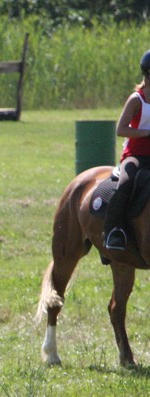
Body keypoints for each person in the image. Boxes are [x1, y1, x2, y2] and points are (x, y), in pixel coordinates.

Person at [103, 50, 150, 252]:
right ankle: (113, 231)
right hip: (135, 156)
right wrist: (147, 133)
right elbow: (121, 130)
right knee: (125, 184)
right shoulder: (136, 100)